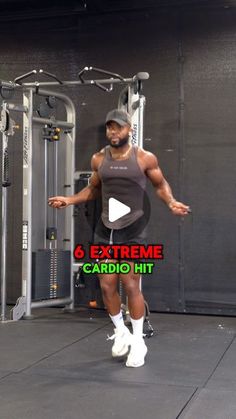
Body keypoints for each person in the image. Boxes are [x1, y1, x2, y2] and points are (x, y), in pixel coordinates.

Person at [48, 108, 190, 368]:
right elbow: (92, 188)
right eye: (110, 127)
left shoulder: (145, 158)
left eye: (119, 127)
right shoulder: (98, 159)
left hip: (132, 230)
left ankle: (138, 341)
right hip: (105, 229)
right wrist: (69, 199)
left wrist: (171, 202)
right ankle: (120, 332)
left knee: (131, 285)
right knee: (106, 286)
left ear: (129, 129)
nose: (114, 132)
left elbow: (160, 185)